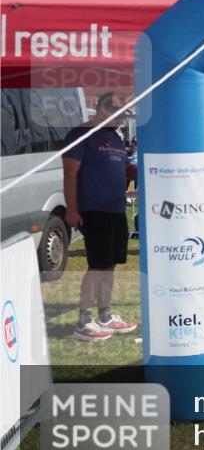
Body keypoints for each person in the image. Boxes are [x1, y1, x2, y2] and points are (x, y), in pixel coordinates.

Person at [62, 92, 138, 342]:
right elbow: (70, 174)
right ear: (103, 110)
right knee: (98, 266)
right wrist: (72, 209)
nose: (123, 119)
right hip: (93, 210)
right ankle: (83, 323)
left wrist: (136, 170)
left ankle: (105, 316)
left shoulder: (114, 137)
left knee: (111, 265)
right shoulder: (81, 134)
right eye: (120, 113)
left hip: (116, 209)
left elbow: (121, 166)